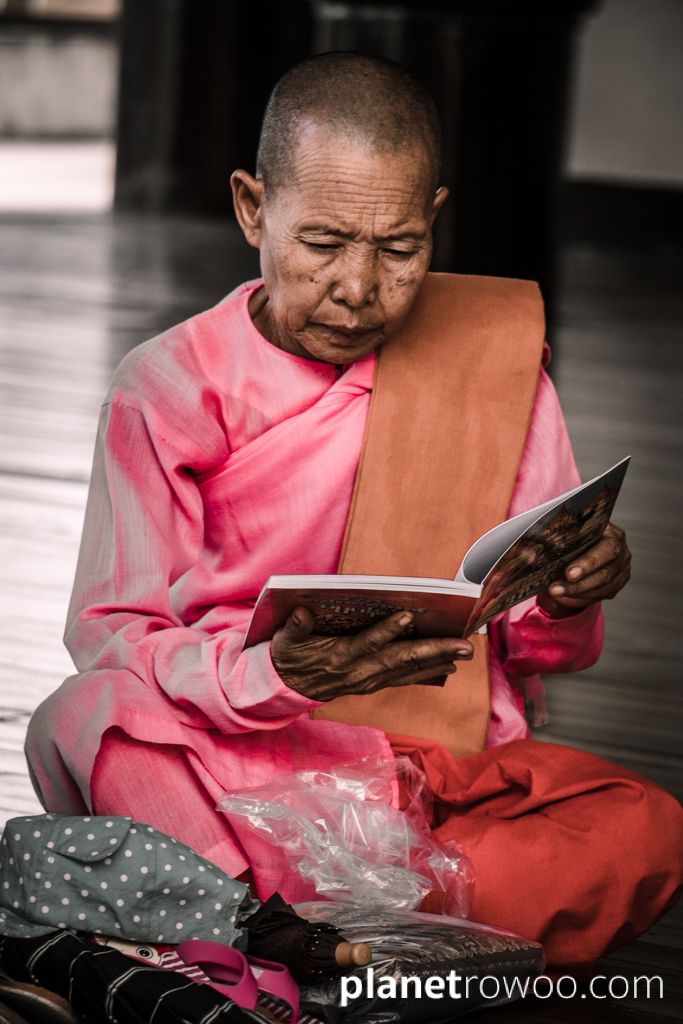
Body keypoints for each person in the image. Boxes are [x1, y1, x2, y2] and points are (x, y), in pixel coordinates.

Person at [25, 53, 681, 972]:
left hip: (438, 774)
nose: (360, 289)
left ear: (434, 224)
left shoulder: (494, 369)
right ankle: (355, 931)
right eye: (323, 242)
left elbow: (541, 650)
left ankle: (273, 927)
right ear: (254, 209)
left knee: (644, 826)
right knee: (85, 718)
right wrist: (271, 676)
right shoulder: (170, 389)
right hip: (244, 764)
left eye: (399, 248)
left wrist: (570, 594)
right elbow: (112, 633)